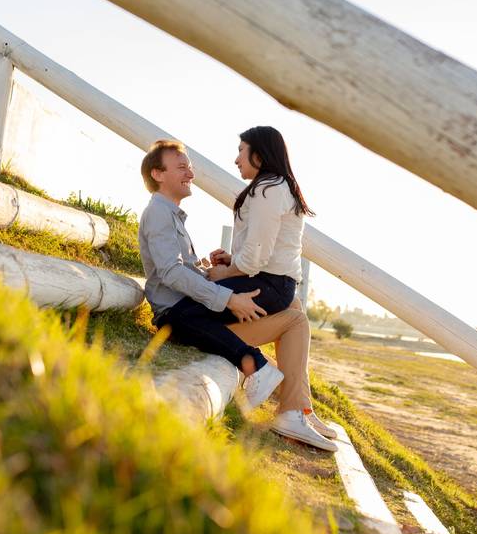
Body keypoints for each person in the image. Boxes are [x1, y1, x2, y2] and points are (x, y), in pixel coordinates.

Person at [138, 137, 336, 451]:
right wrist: (228, 298)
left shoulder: (171, 215)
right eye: (181, 167)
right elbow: (170, 273)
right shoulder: (159, 214)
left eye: (190, 166)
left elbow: (179, 269)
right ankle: (292, 409)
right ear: (159, 175)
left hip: (197, 311)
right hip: (185, 318)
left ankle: (300, 410)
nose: (191, 173)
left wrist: (207, 268)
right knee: (294, 319)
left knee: (294, 306)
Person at [205, 125, 337, 447]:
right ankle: (299, 407)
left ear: (259, 155)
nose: (236, 159)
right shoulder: (276, 187)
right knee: (297, 316)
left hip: (272, 282)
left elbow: (257, 255)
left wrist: (226, 272)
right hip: (277, 282)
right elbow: (264, 249)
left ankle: (295, 411)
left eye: (241, 150)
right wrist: (233, 259)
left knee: (295, 317)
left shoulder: (268, 189)